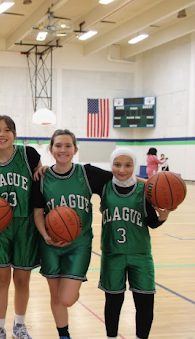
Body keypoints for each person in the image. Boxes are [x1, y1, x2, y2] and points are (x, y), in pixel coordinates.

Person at [32, 129, 113, 339]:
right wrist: (46, 236)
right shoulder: (42, 178)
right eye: (58, 145)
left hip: (79, 244)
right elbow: (38, 213)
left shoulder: (87, 173)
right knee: (55, 296)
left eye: (68, 146)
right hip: (50, 244)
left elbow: (122, 177)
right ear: (51, 149)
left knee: (66, 298)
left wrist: (151, 184)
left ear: (75, 149)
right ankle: (64, 335)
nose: (63, 150)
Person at [0, 115, 41, 339]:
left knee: (22, 280)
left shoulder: (29, 155)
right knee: (1, 280)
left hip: (26, 226)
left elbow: (41, 186)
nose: (2, 134)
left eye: (7, 130)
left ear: (14, 133)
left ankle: (20, 326)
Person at [99, 147, 171, 339]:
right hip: (112, 253)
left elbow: (151, 223)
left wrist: (162, 217)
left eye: (128, 165)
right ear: (111, 165)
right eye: (117, 164)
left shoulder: (144, 191)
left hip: (140, 254)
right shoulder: (104, 186)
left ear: (135, 166)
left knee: (145, 301)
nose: (122, 169)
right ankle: (111, 337)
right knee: (113, 302)